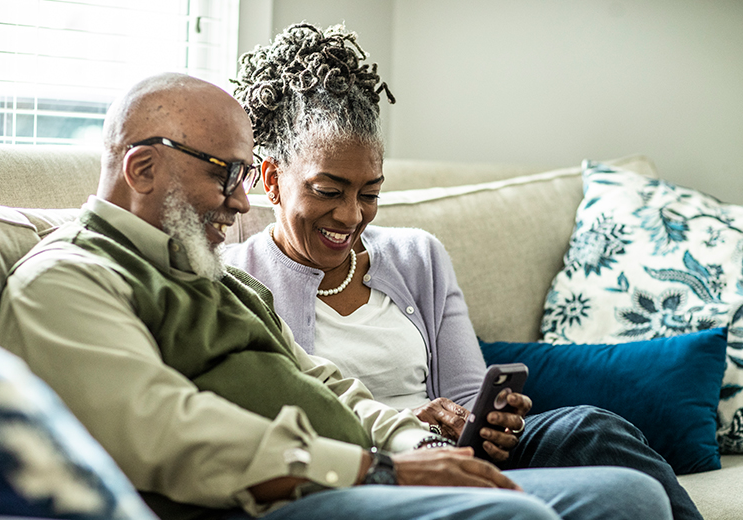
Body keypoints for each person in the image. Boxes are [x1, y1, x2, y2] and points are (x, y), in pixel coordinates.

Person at [0, 72, 671, 520]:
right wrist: (377, 469)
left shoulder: (209, 275)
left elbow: (326, 385)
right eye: (227, 175)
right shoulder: (69, 279)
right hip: (268, 499)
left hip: (365, 471)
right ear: (141, 167)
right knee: (513, 513)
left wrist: (417, 445)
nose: (238, 201)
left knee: (629, 497)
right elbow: (164, 430)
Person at [228, 23, 702, 520]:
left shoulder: (418, 256)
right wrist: (407, 422)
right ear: (273, 180)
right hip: (363, 471)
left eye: (369, 194)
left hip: (456, 459)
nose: (351, 216)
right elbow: (268, 429)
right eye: (329, 190)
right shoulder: (236, 280)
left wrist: (490, 422)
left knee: (590, 429)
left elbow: (466, 400)